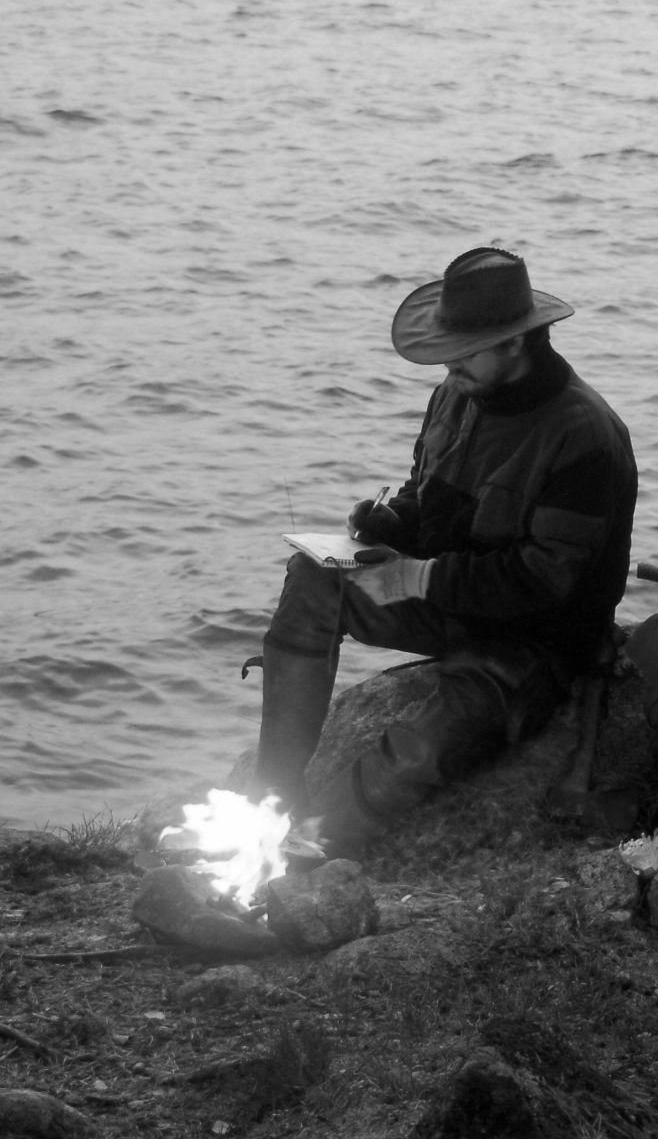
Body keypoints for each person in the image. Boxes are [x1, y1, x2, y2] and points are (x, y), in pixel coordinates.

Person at [251, 246, 638, 855]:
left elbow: (545, 584)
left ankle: (310, 846)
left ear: (514, 343)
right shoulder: (455, 396)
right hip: (451, 605)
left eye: (459, 356)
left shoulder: (584, 436)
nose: (447, 369)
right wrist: (389, 524)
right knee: (312, 577)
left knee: (419, 751)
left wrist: (415, 580)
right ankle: (269, 799)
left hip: (535, 643)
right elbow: (428, 505)